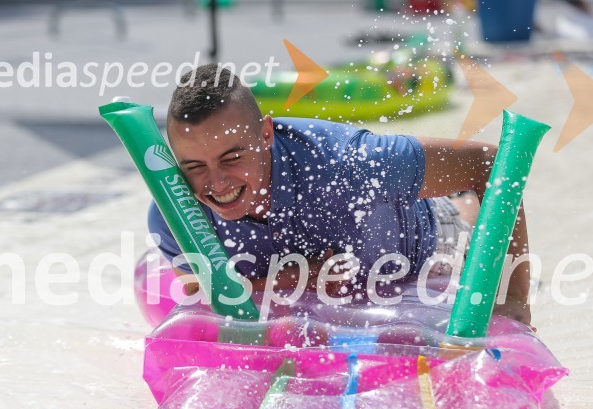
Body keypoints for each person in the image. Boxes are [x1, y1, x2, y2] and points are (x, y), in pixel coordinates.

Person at [148, 63, 532, 325]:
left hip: (428, 245)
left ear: (266, 134)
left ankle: (458, 204)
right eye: (194, 166)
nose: (215, 184)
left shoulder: (348, 163)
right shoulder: (174, 210)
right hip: (313, 268)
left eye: (232, 157)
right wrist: (295, 279)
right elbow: (200, 289)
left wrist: (512, 299)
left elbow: (489, 162)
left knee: (456, 216)